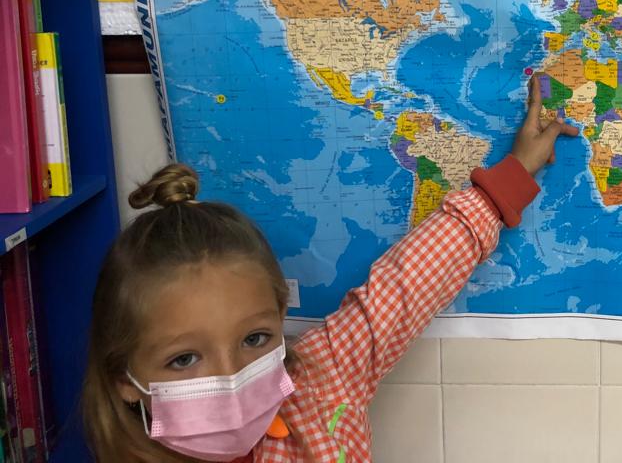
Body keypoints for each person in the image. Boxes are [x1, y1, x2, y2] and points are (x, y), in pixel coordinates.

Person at [81, 74, 577, 463]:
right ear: (124, 377)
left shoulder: (321, 382)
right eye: (184, 359)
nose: (233, 380)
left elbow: (408, 284)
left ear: (279, 317)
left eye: (254, 339)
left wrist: (512, 177)